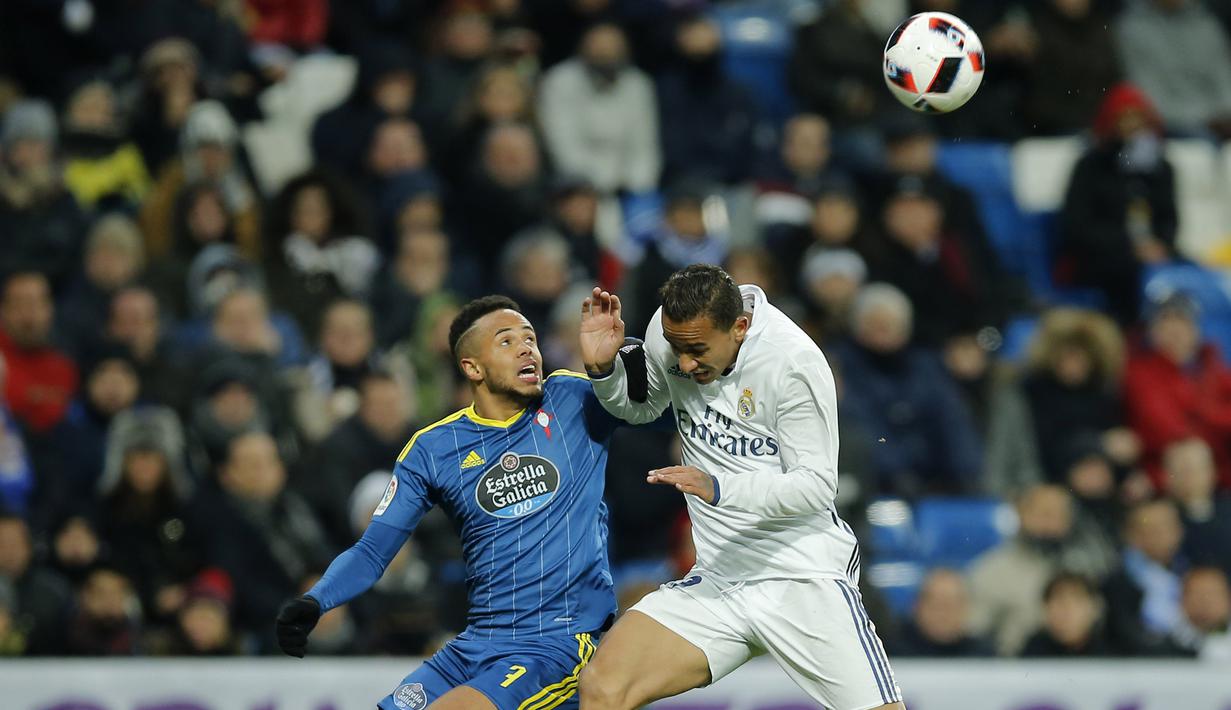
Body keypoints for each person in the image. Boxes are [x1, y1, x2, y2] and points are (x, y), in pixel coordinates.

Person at [275, 296, 636, 709]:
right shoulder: (433, 448)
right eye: (506, 341)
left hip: (558, 643)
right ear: (472, 367)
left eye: (530, 338)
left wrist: (609, 366)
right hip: (476, 646)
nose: (526, 349)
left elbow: (646, 404)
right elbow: (374, 551)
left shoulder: (573, 400)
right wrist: (316, 600)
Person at [577, 265, 904, 709]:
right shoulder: (669, 330)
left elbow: (815, 488)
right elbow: (644, 407)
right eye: (678, 349)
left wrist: (720, 487)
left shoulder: (794, 362)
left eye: (697, 350)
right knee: (603, 687)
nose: (686, 363)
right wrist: (604, 372)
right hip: (720, 577)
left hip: (799, 575)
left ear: (740, 327)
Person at [892, 568, 994, 657]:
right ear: (917, 606)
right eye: (936, 605)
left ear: (966, 608)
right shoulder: (890, 654)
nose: (943, 614)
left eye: (951, 605)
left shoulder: (984, 658)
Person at [1020, 573, 1113, 657]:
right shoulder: (1032, 652)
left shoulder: (1112, 653)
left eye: (1075, 601)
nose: (1067, 610)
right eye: (1059, 601)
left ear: (1093, 608)